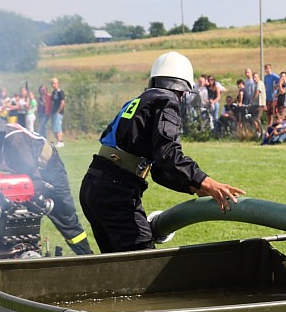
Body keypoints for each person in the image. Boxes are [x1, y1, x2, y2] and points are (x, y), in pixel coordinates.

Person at [79, 51, 245, 254]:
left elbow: (158, 169)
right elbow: (168, 153)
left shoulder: (143, 100)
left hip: (95, 184)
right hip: (116, 190)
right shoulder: (167, 100)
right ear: (182, 88)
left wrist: (193, 187)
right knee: (143, 263)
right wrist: (207, 182)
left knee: (117, 265)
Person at [0, 102, 92, 255]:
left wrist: (37, 200)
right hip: (23, 173)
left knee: (65, 218)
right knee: (8, 217)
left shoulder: (13, 139)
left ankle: (86, 256)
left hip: (49, 171)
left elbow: (33, 175)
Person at [50, 77, 65, 147]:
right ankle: (57, 141)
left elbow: (62, 102)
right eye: (52, 83)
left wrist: (58, 111)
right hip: (53, 112)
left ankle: (60, 141)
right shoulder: (53, 93)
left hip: (58, 112)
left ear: (57, 84)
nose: (53, 85)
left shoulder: (60, 92)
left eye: (54, 83)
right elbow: (52, 102)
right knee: (54, 127)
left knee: (58, 126)